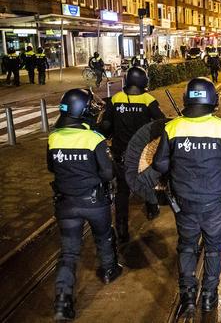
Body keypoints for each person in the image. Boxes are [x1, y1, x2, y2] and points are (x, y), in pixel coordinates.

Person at [153, 78, 221, 316]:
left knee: (187, 248)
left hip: (184, 205)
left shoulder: (173, 128)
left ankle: (187, 296)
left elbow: (159, 163)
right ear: (213, 100)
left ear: (186, 99)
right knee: (214, 249)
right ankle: (208, 297)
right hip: (214, 206)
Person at [48, 89, 123, 320]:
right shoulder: (94, 138)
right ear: (82, 110)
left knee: (69, 252)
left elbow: (52, 167)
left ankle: (62, 301)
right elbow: (108, 173)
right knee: (103, 237)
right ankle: (109, 270)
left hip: (66, 204)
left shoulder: (54, 137)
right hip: (94, 201)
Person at [100, 67, 166, 243]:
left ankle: (122, 229)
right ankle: (152, 208)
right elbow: (161, 122)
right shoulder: (148, 99)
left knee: (122, 191)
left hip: (121, 154)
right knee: (147, 182)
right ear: (143, 81)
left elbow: (106, 125)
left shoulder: (116, 99)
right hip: (142, 154)